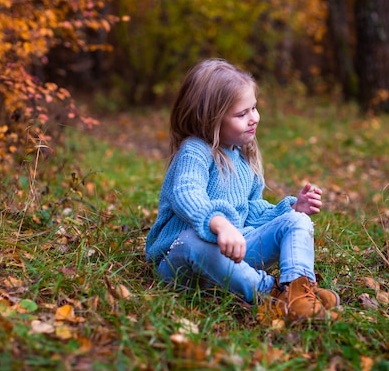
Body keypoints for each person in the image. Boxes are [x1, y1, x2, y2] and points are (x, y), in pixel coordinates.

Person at [145, 58, 339, 321]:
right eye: (241, 114)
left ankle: (298, 291)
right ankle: (270, 292)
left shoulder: (244, 159)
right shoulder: (195, 152)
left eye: (254, 108)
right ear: (209, 119)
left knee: (296, 221)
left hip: (231, 257)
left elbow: (251, 210)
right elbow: (186, 193)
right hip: (181, 263)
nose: (253, 119)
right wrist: (219, 224)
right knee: (193, 240)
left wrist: (292, 208)